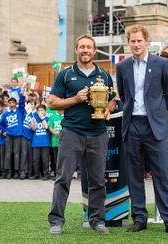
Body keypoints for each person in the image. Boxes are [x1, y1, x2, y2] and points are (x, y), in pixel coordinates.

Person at [116, 25, 168, 235]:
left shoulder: (162, 63)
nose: (136, 45)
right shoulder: (122, 67)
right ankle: (139, 218)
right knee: (134, 175)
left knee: (161, 174)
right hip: (132, 124)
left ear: (146, 42)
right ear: (129, 43)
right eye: (132, 41)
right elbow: (124, 96)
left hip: (155, 125)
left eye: (139, 41)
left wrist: (156, 111)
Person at [47, 33, 116, 235]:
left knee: (97, 180)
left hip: (98, 133)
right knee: (63, 178)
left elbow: (112, 99)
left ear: (94, 51)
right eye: (82, 47)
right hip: (72, 132)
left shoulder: (104, 75)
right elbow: (52, 102)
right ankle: (56, 220)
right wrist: (75, 99)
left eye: (89, 47)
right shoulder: (66, 74)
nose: (85, 50)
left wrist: (107, 109)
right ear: (76, 50)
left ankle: (97, 220)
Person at [30, 104, 51, 180]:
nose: (40, 112)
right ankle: (36, 174)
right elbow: (33, 129)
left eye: (42, 110)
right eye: (38, 110)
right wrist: (33, 123)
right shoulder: (35, 118)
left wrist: (42, 118)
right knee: (36, 160)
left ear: (45, 111)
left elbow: (46, 127)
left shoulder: (48, 118)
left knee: (45, 160)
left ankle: (46, 175)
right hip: (36, 142)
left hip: (45, 143)